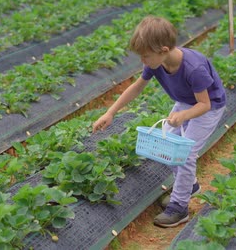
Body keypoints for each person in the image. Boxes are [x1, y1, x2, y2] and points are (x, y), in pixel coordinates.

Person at [92, 15, 226, 228]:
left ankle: (180, 207)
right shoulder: (156, 64)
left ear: (163, 50)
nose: (142, 61)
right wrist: (110, 113)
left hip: (208, 108)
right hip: (184, 102)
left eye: (145, 56)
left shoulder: (194, 68)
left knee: (185, 153)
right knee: (169, 146)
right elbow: (136, 87)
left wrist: (183, 116)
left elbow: (205, 104)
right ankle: (189, 185)